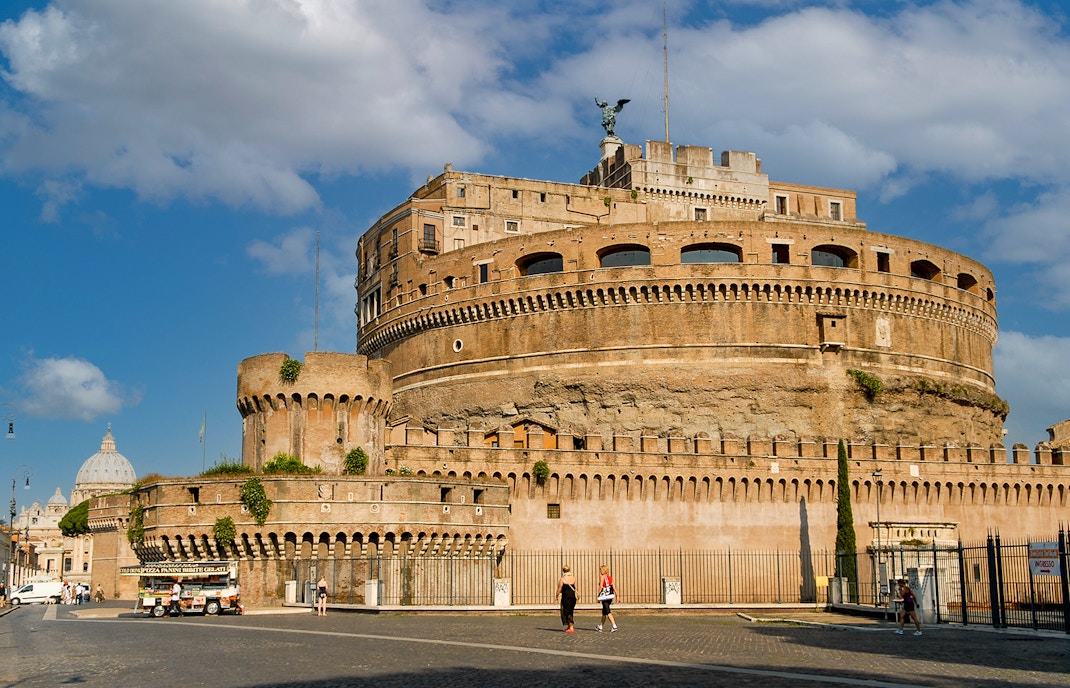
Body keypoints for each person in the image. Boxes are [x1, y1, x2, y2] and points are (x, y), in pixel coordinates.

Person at [596, 564, 619, 632]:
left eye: (601, 570)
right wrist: (618, 596)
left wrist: (598, 595)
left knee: (608, 611)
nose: (600, 571)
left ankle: (614, 625)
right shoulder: (610, 577)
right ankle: (601, 626)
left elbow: (601, 587)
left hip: (604, 596)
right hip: (610, 596)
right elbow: (614, 587)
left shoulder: (602, 577)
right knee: (604, 612)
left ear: (604, 570)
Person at [555, 565, 578, 633]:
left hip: (566, 596)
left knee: (567, 611)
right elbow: (575, 587)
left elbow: (559, 588)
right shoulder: (573, 578)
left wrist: (556, 596)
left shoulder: (562, 579)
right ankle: (569, 626)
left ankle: (571, 626)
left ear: (563, 571)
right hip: (572, 596)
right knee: (571, 610)